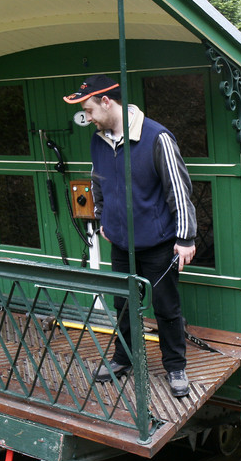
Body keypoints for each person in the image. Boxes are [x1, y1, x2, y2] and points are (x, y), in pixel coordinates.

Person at [63, 75, 196, 398]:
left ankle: (175, 366)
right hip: (121, 244)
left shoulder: (156, 137)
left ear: (107, 102)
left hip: (159, 243)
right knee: (122, 305)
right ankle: (123, 358)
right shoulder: (98, 140)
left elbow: (178, 189)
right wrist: (103, 218)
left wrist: (186, 237)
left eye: (90, 110)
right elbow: (98, 181)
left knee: (166, 307)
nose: (88, 118)